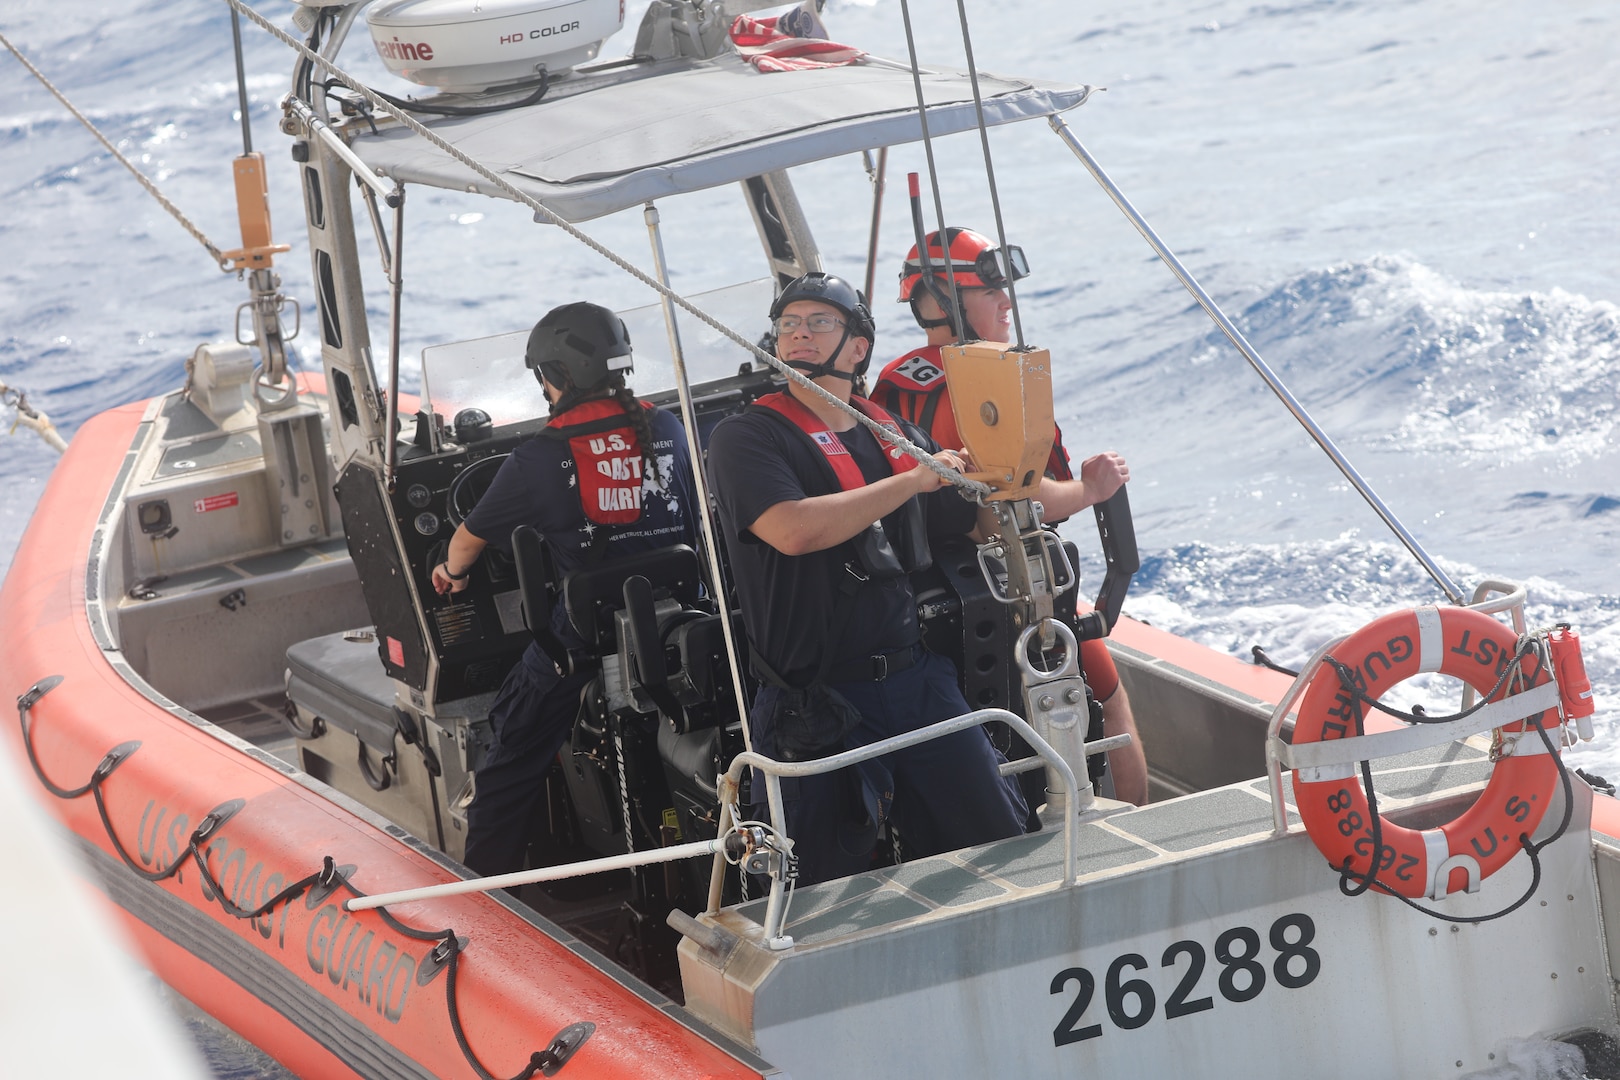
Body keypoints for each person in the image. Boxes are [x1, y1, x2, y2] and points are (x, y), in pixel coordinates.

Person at [706, 272, 1027, 888]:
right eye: (790, 324)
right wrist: (912, 481)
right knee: (810, 887)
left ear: (858, 348)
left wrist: (1006, 473)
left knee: (996, 849)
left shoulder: (896, 434)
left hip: (915, 679)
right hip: (815, 698)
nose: (799, 334)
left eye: (819, 323)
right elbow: (792, 530)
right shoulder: (747, 437)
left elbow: (970, 520)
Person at [871, 227, 1149, 805]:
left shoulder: (894, 383)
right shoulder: (988, 379)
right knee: (1112, 698)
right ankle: (1131, 825)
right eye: (989, 292)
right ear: (939, 302)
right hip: (1009, 594)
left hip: (927, 599)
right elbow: (1015, 505)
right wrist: (1093, 488)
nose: (1007, 304)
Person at [431, 301, 700, 878]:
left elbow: (466, 543)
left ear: (556, 377)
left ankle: (490, 895)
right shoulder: (670, 426)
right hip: (679, 623)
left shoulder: (538, 457)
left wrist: (452, 576)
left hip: (585, 636)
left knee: (508, 750)